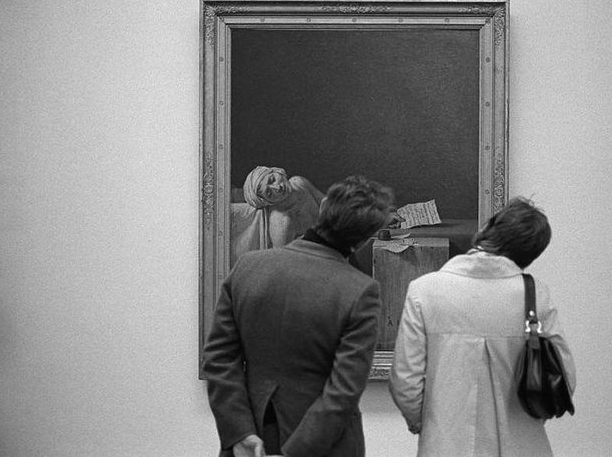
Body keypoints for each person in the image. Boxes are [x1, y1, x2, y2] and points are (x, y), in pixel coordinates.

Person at [203, 175, 395, 457]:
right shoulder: (360, 290)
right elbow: (342, 392)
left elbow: (218, 359)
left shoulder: (248, 267)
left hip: (251, 437)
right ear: (366, 238)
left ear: (324, 206)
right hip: (323, 446)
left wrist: (240, 432)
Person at [389, 197, 576, 457]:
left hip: (445, 446)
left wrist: (429, 426)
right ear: (532, 253)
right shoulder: (535, 296)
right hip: (523, 445)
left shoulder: (424, 290)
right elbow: (563, 378)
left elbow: (405, 381)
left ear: (487, 230)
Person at [230, 166, 326, 265]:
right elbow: (286, 264)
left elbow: (327, 203)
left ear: (277, 171)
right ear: (268, 202)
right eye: (269, 193)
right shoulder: (282, 222)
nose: (277, 187)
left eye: (272, 180)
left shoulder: (299, 183)